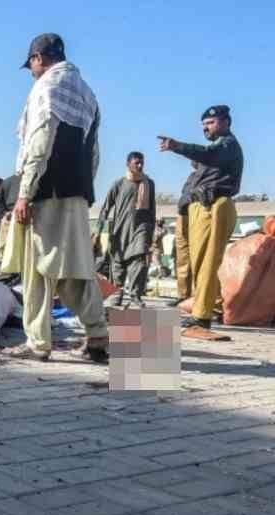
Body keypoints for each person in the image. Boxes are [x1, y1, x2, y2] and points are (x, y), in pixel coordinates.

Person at [8, 33, 109, 363]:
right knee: (76, 268)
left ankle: (38, 343)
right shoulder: (87, 93)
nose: (31, 72)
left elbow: (40, 142)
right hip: (77, 191)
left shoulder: (47, 87)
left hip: (46, 190)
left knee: (37, 269)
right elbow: (94, 151)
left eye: (31, 65)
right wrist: (85, 190)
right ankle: (97, 335)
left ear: (38, 57)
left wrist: (25, 193)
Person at [158, 105, 243, 340]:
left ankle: (201, 318)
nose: (206, 128)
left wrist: (177, 146)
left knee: (206, 262)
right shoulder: (215, 153)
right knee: (200, 263)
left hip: (214, 206)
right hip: (200, 208)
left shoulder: (227, 144)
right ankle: (212, 307)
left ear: (226, 122)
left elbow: (207, 154)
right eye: (204, 124)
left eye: (211, 123)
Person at [97, 152, 156, 308]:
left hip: (141, 229)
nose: (140, 166)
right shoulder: (119, 184)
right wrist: (98, 230)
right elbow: (105, 208)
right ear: (128, 164)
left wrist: (151, 231)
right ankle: (116, 293)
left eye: (142, 163)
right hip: (120, 231)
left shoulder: (149, 184)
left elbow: (152, 209)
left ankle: (135, 294)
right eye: (137, 163)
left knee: (139, 261)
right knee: (117, 265)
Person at [168, 166, 198, 307]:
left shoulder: (210, 174)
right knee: (182, 258)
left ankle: (199, 297)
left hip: (196, 215)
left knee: (198, 258)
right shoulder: (192, 175)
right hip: (183, 216)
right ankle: (183, 295)